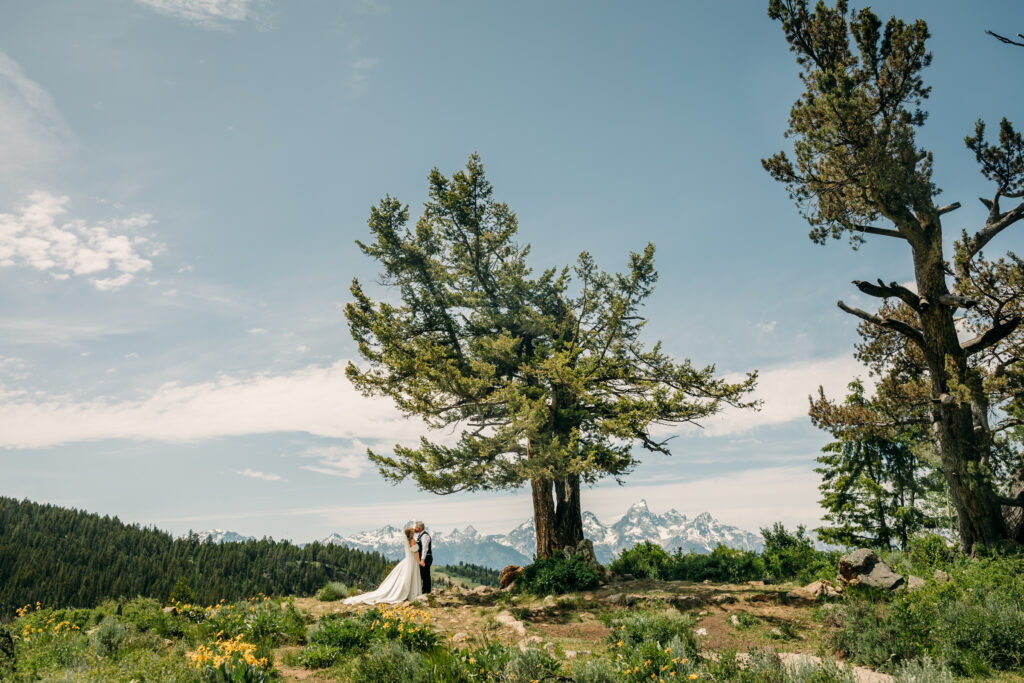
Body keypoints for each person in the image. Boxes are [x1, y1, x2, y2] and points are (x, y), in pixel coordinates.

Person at [343, 527, 422, 605]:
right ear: (411, 534)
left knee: (406, 577)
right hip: (412, 561)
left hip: (408, 560)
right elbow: (416, 552)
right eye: (413, 532)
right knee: (411, 576)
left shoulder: (407, 541)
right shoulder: (412, 541)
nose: (414, 532)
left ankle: (408, 592)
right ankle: (411, 593)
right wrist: (419, 561)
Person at [415, 521, 433, 594]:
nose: (415, 528)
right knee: (423, 574)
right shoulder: (420, 535)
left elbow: (425, 548)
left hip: (426, 558)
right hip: (424, 558)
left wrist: (422, 560)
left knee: (426, 575)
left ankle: (427, 591)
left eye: (416, 527)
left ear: (420, 528)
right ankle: (425, 590)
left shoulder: (425, 536)